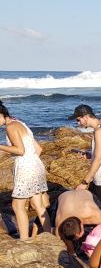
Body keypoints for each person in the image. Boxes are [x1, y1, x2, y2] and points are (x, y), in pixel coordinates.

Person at [0, 100, 51, 239]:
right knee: (38, 204)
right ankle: (50, 237)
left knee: (17, 206)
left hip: (26, 168)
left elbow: (20, 150)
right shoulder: (21, 123)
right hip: (36, 164)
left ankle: (24, 240)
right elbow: (38, 149)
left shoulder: (10, 127)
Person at [69, 104, 101, 221]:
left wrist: (85, 182)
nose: (78, 123)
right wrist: (90, 155)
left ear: (86, 117)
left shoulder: (100, 131)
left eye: (78, 120)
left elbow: (98, 159)